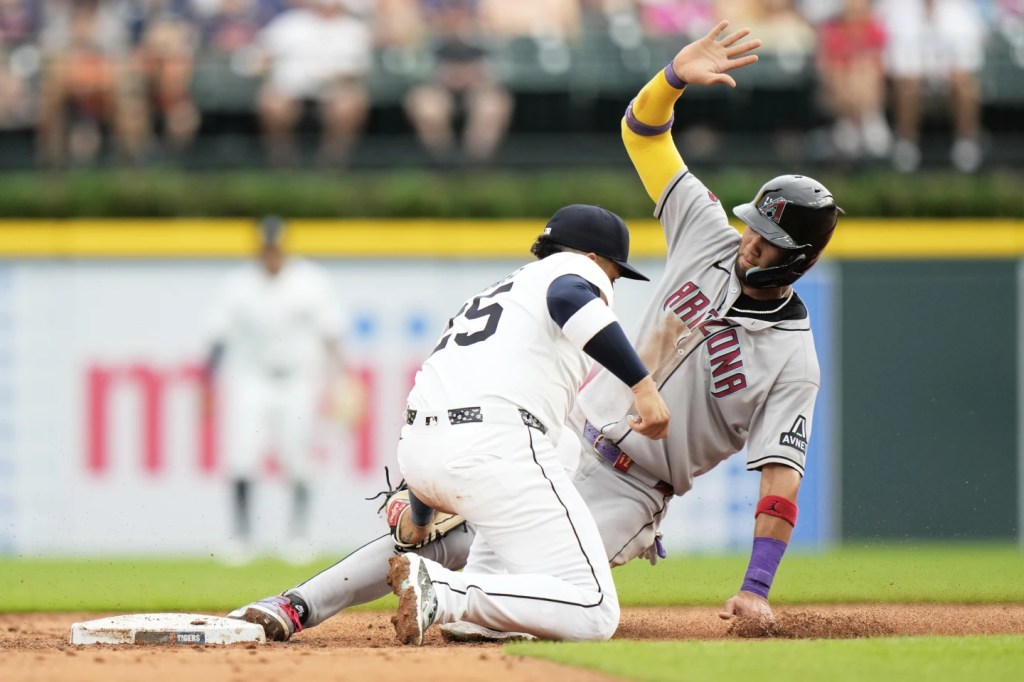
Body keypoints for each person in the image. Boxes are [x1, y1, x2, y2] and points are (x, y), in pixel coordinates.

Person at [230, 20, 838, 644]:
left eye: (769, 242)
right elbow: (642, 133)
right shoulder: (710, 233)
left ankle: (443, 600)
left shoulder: (793, 362)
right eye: (754, 227)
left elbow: (780, 480)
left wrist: (756, 589)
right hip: (564, 438)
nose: (751, 243)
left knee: (522, 587)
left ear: (802, 258)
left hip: (633, 489)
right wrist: (674, 78)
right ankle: (296, 604)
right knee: (453, 540)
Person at [204, 215, 348, 565]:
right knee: (241, 455)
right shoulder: (239, 283)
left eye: (276, 247)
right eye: (266, 247)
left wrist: (344, 378)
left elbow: (331, 334)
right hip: (251, 378)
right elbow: (218, 336)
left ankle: (299, 536)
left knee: (299, 459)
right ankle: (241, 537)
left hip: (298, 379)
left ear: (284, 247)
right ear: (259, 248)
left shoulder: (310, 281)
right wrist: (206, 381)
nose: (272, 254)